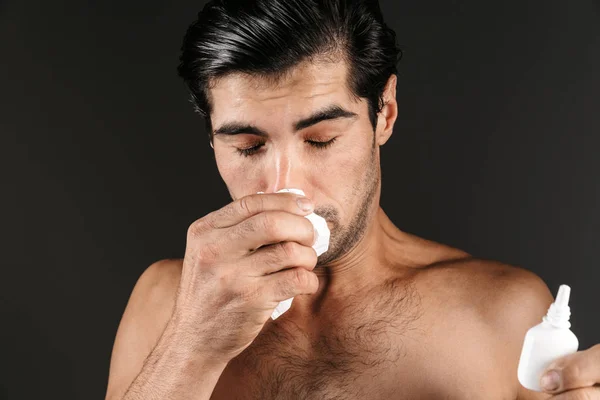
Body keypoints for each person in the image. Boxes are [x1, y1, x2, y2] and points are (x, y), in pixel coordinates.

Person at [104, 1, 600, 399]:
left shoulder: (500, 312)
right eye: (248, 147)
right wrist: (192, 346)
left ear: (383, 114)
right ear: (213, 139)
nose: (283, 183)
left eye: (320, 139)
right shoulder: (165, 302)